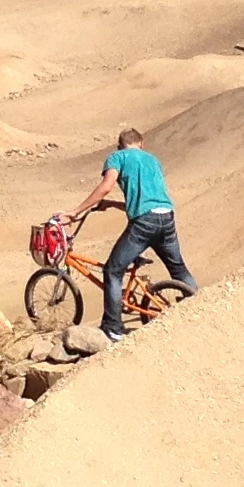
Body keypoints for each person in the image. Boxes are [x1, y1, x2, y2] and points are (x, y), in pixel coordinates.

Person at [68, 126, 197, 343]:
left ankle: (113, 329)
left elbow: (105, 187)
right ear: (141, 143)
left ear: (120, 146)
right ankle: (199, 306)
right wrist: (113, 204)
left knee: (112, 270)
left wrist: (76, 211)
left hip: (144, 223)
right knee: (178, 268)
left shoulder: (117, 157)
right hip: (166, 217)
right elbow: (149, 199)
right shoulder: (153, 160)